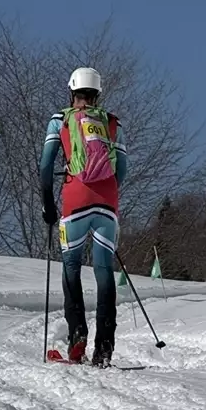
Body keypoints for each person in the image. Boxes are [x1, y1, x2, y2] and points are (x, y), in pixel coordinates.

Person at [40, 67, 128, 367]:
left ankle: (77, 334)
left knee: (71, 267)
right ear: (97, 94)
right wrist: (107, 194)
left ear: (72, 92)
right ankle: (105, 346)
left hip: (75, 198)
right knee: (104, 271)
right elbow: (122, 170)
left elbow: (45, 167)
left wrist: (48, 204)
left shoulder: (59, 120)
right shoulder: (112, 123)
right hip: (107, 201)